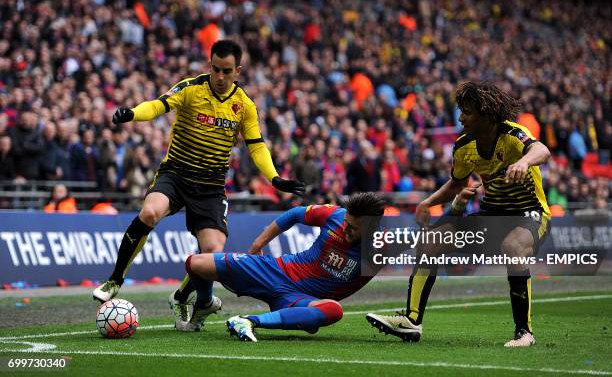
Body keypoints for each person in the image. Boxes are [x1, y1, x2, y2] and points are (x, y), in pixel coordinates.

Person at [92, 40, 305, 329]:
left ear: (237, 70)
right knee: (150, 212)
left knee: (212, 254)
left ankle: (189, 299)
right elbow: (157, 106)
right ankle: (115, 280)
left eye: (226, 71)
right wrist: (132, 114)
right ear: (210, 65)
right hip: (176, 175)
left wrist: (275, 178)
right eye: (215, 69)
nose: (219, 77)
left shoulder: (244, 105)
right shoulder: (191, 88)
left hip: (210, 187)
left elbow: (256, 146)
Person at [366, 81, 551, 348]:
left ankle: (524, 333)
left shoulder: (513, 134)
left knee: (515, 246)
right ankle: (412, 321)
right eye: (460, 111)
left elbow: (541, 150)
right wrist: (427, 203)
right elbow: (456, 183)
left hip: (529, 213)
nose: (461, 117)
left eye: (467, 112)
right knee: (430, 242)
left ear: (486, 114)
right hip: (491, 215)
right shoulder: (464, 146)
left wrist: (522, 162)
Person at [183, 192, 386, 340]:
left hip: (299, 299)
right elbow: (296, 213)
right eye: (346, 222)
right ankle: (205, 304)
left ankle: (250, 321)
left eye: (352, 227)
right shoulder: (335, 215)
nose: (345, 228)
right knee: (195, 263)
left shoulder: (383, 247)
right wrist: (259, 243)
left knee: (333, 310)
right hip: (275, 270)